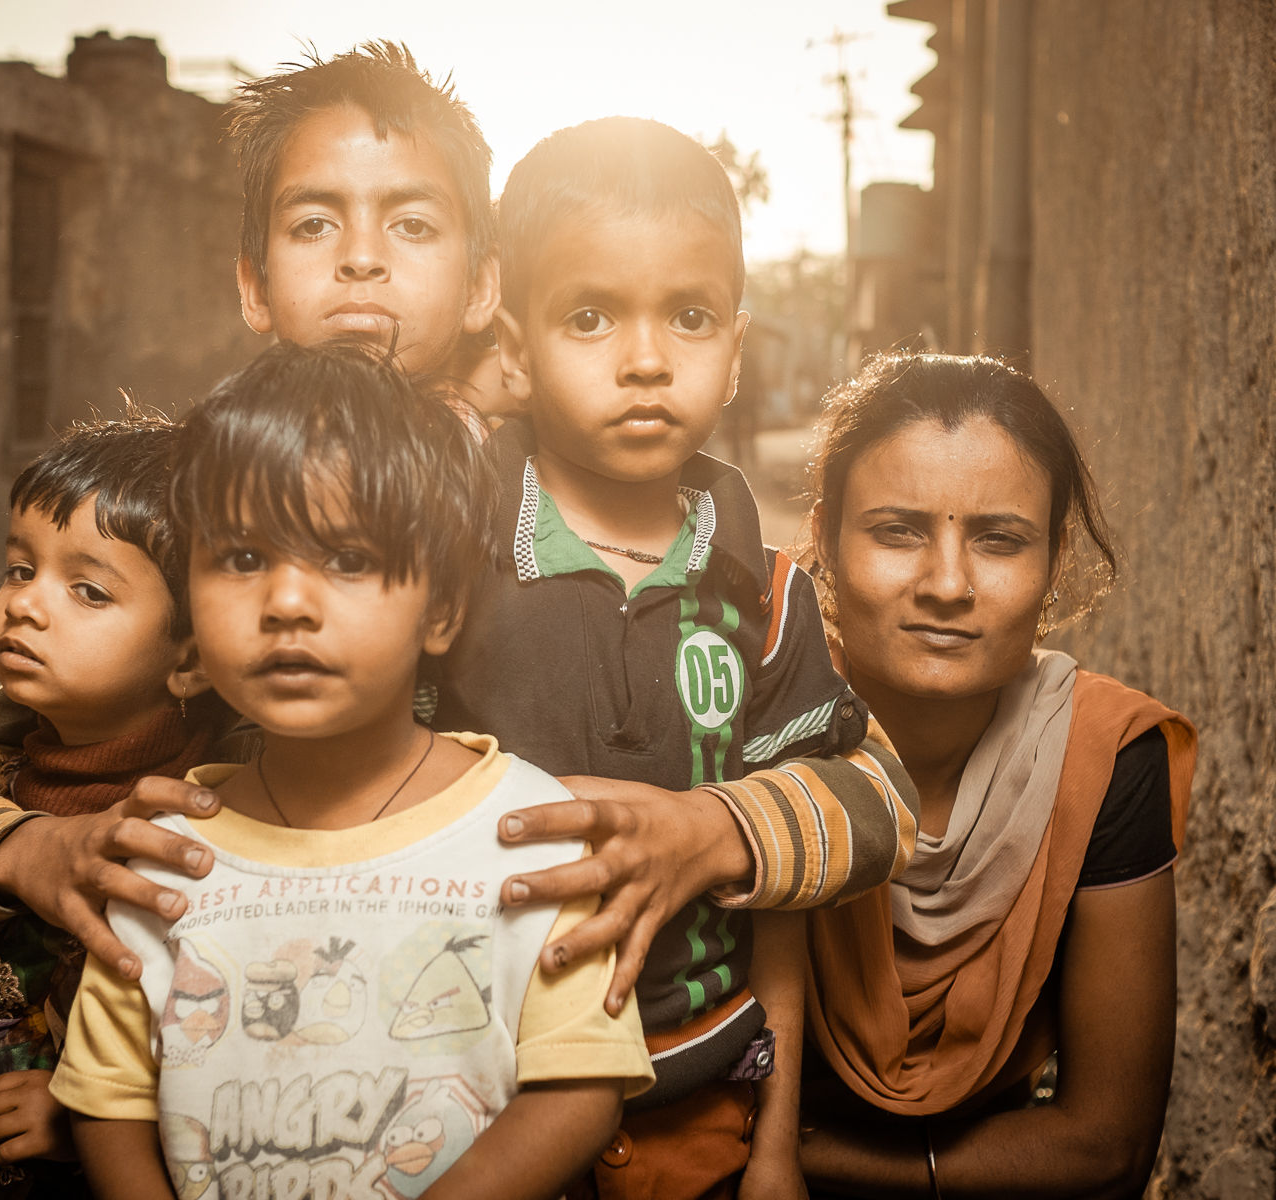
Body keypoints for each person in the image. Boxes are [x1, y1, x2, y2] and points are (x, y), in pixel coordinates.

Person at [0, 40, 500, 978]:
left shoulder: (538, 496)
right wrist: (26, 849)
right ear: (252, 282)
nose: (361, 260)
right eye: (315, 223)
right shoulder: (181, 500)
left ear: (483, 282)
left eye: (411, 225)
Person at [429, 117, 915, 1200]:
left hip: (699, 1107)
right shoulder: (440, 564)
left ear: (736, 349)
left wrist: (776, 1148)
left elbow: (855, 839)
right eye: (589, 316)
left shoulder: (769, 594)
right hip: (469, 1102)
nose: (646, 359)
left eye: (689, 317)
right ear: (515, 345)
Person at [48, 340, 653, 1200]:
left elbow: (581, 1092)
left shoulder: (526, 832)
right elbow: (109, 1104)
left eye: (348, 559)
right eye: (244, 558)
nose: (288, 603)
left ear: (440, 609)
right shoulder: (162, 856)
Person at [790, 351, 1197, 1198]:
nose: (947, 583)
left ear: (1053, 567)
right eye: (897, 531)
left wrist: (803, 1159)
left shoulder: (1104, 755)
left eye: (999, 540)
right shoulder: (753, 727)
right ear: (823, 541)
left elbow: (1108, 1150)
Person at [0, 415, 222, 1197]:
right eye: (20, 569)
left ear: (191, 658)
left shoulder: (214, 798)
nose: (26, 605)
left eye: (87, 589)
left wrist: (88, 1109)